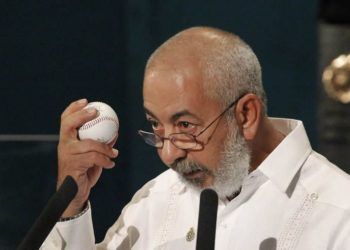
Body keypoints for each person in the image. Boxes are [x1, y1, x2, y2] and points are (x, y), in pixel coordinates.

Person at [42, 27, 350, 249]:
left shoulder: (339, 216)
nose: (168, 155)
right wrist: (71, 206)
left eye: (186, 125)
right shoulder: (157, 199)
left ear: (246, 115)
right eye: (156, 125)